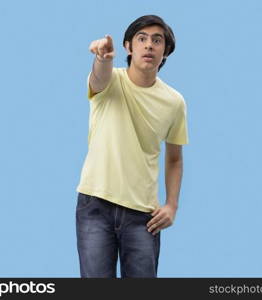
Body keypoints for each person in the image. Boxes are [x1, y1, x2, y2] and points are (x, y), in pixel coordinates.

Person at [75, 15, 189, 278]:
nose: (149, 45)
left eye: (157, 40)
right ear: (128, 47)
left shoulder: (174, 102)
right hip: (95, 207)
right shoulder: (111, 82)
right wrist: (102, 59)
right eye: (142, 38)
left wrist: (171, 205)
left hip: (144, 216)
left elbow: (174, 159)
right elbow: (98, 77)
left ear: (165, 51)